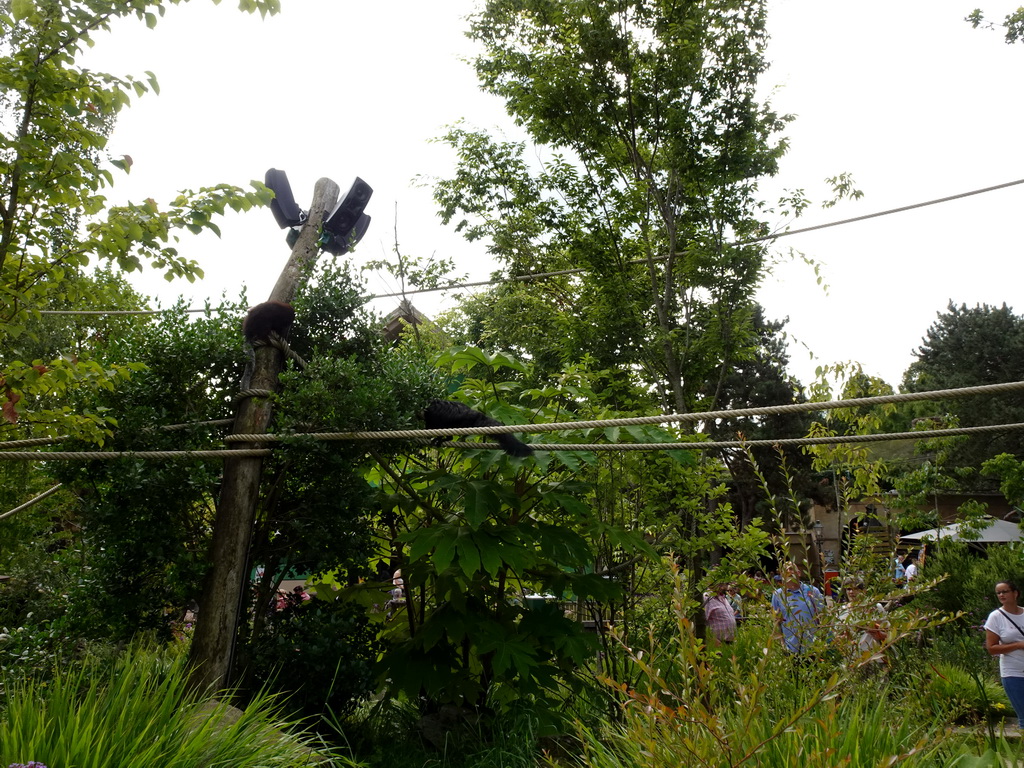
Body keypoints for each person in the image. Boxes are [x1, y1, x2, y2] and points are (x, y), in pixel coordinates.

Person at [984, 580, 1024, 728]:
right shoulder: (996, 617)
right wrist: (1019, 645)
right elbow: (992, 648)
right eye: (998, 593)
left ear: (1015, 593)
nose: (1001, 595)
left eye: (1004, 591)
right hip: (1013, 673)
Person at [771, 562, 824, 655]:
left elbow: (823, 616)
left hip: (812, 647)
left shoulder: (812, 591)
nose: (788, 572)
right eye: (785, 570)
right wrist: (782, 644)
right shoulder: (777, 595)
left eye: (791, 569)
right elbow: (776, 621)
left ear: (798, 573)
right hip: (790, 648)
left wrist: (821, 641)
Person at [837, 579, 888, 670]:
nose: (852, 592)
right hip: (853, 661)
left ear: (863, 591)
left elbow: (889, 632)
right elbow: (838, 636)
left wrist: (878, 634)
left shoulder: (875, 607)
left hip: (875, 659)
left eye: (856, 589)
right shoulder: (841, 611)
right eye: (848, 589)